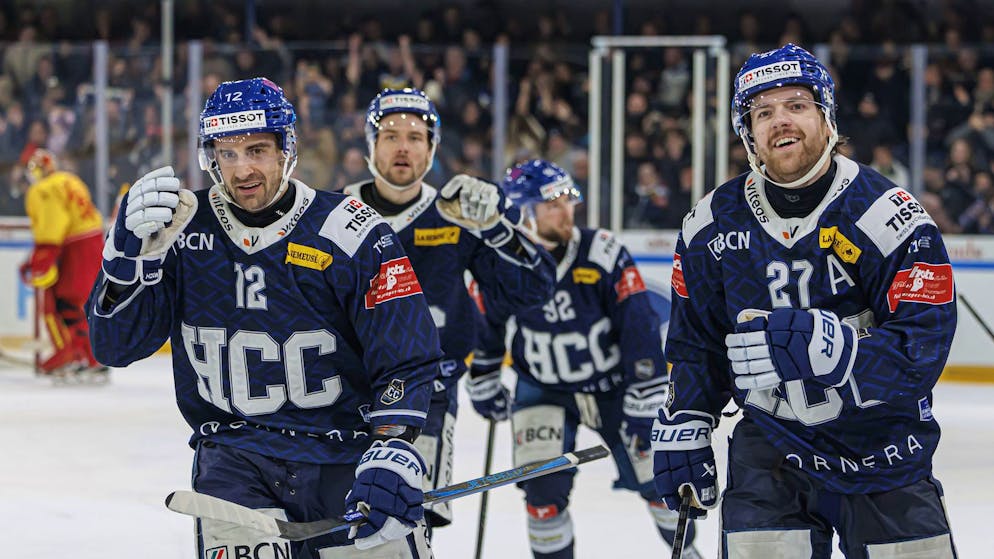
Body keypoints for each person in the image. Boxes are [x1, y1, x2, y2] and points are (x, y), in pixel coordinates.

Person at [86, 77, 442, 558]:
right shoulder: (181, 229)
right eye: (227, 153)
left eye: (256, 149)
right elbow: (116, 348)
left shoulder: (349, 231)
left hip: (344, 457)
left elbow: (407, 356)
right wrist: (124, 271)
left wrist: (392, 446)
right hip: (234, 460)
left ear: (285, 150)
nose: (242, 169)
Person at [651, 44, 958, 558]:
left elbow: (923, 343)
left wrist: (843, 356)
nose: (780, 121)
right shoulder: (711, 225)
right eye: (762, 112)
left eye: (796, 104)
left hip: (884, 450)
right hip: (770, 455)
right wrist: (686, 419)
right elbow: (695, 344)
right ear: (747, 132)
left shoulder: (887, 214)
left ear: (825, 114)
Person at [343, 87, 556, 532]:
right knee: (335, 526)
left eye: (416, 137)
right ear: (369, 145)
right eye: (390, 135)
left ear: (433, 149)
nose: (403, 146)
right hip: (340, 395)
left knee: (404, 527)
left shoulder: (456, 215)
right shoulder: (333, 213)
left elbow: (533, 289)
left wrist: (498, 228)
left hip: (428, 399)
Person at [471, 159, 701, 559]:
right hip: (543, 389)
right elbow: (489, 325)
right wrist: (485, 375)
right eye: (552, 204)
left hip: (613, 388)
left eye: (567, 200)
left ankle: (689, 554)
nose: (566, 212)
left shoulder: (602, 251)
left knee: (658, 483)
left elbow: (640, 325)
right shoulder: (502, 263)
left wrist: (645, 391)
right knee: (541, 497)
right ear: (525, 214)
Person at [20, 148, 106, 382]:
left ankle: (75, 356)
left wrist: (42, 257)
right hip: (93, 241)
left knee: (65, 303)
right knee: (80, 302)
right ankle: (89, 356)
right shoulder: (70, 179)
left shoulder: (44, 189)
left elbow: (53, 226)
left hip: (73, 246)